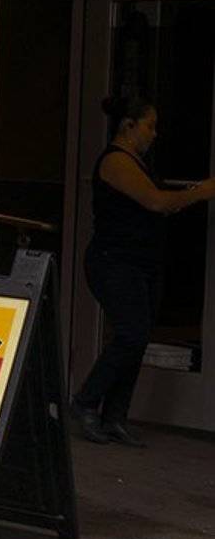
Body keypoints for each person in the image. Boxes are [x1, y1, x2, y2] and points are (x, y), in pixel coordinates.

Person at [70, 96, 215, 447]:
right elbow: (156, 201)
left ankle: (115, 415)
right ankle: (86, 402)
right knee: (131, 335)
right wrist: (200, 192)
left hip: (140, 262)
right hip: (115, 261)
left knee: (137, 337)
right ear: (128, 125)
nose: (154, 133)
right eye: (149, 125)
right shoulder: (116, 161)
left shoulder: (138, 162)